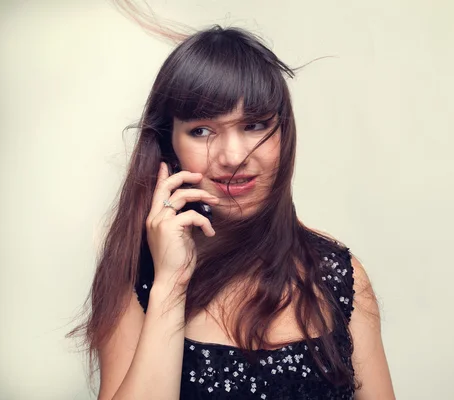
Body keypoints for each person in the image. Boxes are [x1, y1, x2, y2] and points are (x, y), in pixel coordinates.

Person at [71, 24, 395, 399]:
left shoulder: (339, 276)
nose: (233, 157)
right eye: (202, 131)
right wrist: (171, 286)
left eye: (254, 125)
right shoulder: (135, 275)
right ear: (168, 146)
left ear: (283, 135)